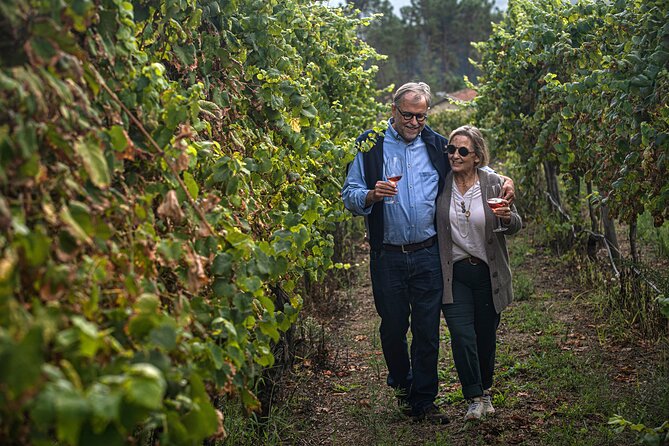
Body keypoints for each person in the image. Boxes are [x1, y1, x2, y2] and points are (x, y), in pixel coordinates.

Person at [341, 83, 513, 424]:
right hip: (387, 254)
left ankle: (423, 400)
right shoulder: (369, 145)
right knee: (392, 328)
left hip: (428, 253)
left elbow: (474, 166)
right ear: (393, 110)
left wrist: (506, 179)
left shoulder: (436, 145)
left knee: (427, 331)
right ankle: (403, 385)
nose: (415, 122)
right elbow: (349, 193)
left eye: (421, 116)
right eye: (408, 115)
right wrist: (371, 195)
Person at [435, 125, 521, 421]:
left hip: (487, 274)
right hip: (455, 273)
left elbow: (516, 224)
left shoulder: (494, 183)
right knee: (461, 336)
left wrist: (508, 218)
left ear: (477, 156)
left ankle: (485, 390)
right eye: (451, 149)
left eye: (462, 151)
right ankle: (473, 396)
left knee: (485, 335)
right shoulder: (440, 182)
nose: (454, 155)